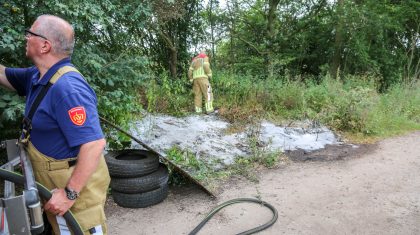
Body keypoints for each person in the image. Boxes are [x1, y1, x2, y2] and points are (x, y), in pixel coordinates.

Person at [0, 15, 110, 234]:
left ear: (44, 45)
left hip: (74, 196)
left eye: (30, 33)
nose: (26, 37)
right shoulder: (37, 76)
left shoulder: (68, 87)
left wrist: (70, 194)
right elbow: (2, 74)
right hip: (53, 186)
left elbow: (94, 144)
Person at [187, 49, 214, 114]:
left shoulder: (194, 60)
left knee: (197, 95)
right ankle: (209, 109)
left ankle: (198, 111)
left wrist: (191, 79)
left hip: (195, 80)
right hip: (203, 78)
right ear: (204, 53)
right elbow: (206, 66)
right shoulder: (205, 57)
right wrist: (209, 74)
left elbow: (190, 71)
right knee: (208, 92)